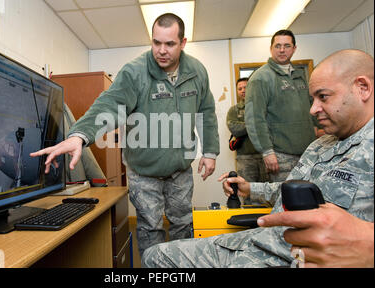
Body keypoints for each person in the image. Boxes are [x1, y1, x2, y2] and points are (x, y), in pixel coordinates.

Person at [141, 49, 373, 268]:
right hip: (263, 243)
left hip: (292, 258)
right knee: (155, 256)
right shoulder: (322, 144)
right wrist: (249, 188)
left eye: (323, 97)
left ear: (362, 88)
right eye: (312, 99)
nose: (313, 109)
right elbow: (289, 194)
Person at [30, 13, 220, 257]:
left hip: (180, 170)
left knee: (183, 225)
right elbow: (109, 105)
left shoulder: (196, 71)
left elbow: (206, 110)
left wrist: (210, 151)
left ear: (183, 43)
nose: (161, 50)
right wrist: (79, 135)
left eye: (170, 44)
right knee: (151, 230)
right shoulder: (134, 72)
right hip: (143, 172)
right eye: (156, 42)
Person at [245, 30, 321, 182]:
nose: (282, 50)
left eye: (287, 46)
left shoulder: (300, 76)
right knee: (286, 203)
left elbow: (312, 108)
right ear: (271, 48)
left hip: (309, 153)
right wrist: (267, 152)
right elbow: (254, 119)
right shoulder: (261, 78)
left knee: (310, 201)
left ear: (294, 48)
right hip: (281, 156)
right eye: (277, 46)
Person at [226, 77, 267, 204]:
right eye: (240, 88)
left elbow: (271, 127)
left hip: (266, 156)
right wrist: (256, 124)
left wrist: (245, 125)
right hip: (245, 158)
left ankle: (266, 222)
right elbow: (235, 128)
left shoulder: (263, 106)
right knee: (247, 194)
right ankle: (251, 223)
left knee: (267, 192)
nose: (243, 90)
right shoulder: (234, 110)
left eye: (246, 87)